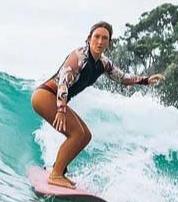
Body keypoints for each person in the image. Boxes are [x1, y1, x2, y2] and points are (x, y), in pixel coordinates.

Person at [31, 21, 164, 188]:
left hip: (57, 100)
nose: (100, 41)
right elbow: (63, 82)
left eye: (105, 38)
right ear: (89, 39)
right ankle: (56, 174)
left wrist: (145, 80)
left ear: (109, 43)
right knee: (77, 134)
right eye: (97, 37)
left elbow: (122, 78)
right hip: (47, 96)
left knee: (85, 136)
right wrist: (61, 110)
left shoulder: (103, 63)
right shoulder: (79, 57)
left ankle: (57, 169)